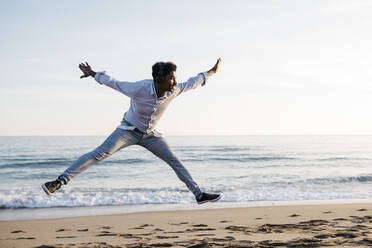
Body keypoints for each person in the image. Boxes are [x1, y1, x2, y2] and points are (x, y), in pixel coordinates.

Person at [42, 58, 222, 204]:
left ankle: (198, 195)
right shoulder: (139, 88)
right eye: (172, 78)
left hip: (151, 135)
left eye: (174, 78)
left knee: (175, 161)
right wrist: (93, 74)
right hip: (127, 131)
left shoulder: (174, 90)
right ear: (159, 79)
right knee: (99, 153)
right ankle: (59, 181)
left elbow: (194, 82)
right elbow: (113, 83)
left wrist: (212, 71)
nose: (175, 81)